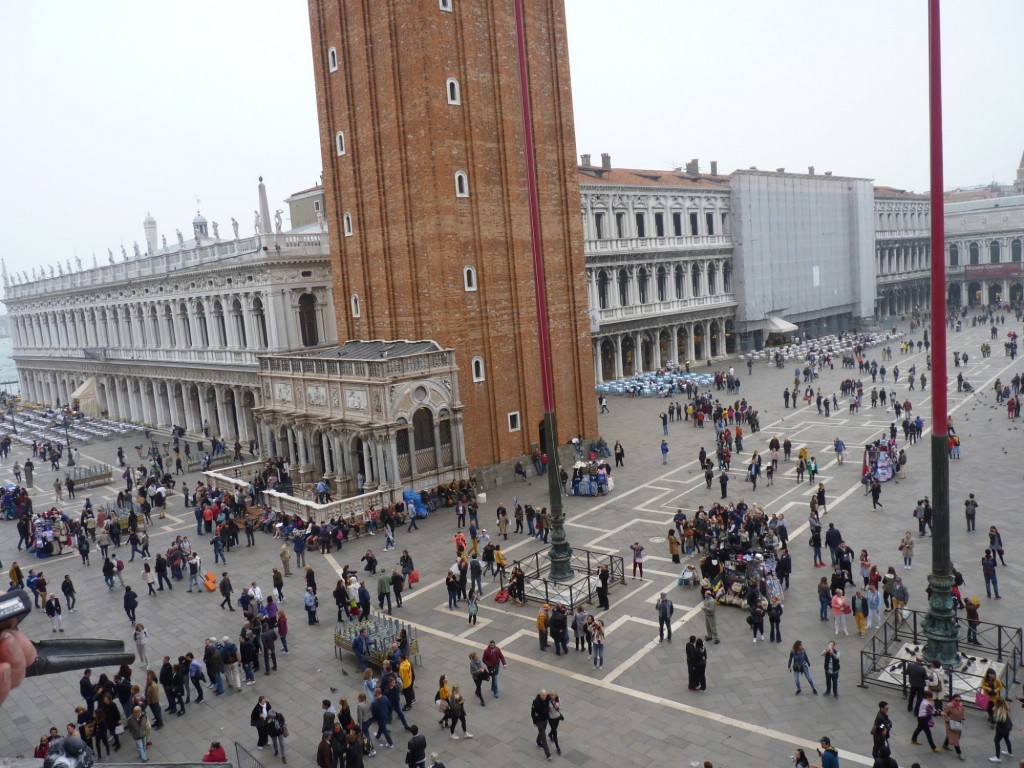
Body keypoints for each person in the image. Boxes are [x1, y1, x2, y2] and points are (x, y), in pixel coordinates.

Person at [941, 693, 965, 760]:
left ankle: (945, 744)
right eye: (956, 700)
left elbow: (962, 711)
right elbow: (944, 713)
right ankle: (959, 753)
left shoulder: (961, 705)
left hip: (958, 724)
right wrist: (947, 718)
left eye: (959, 700)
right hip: (951, 724)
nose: (958, 702)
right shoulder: (949, 706)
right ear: (953, 700)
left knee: (952, 736)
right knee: (955, 739)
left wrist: (962, 717)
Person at [531, 690, 553, 760]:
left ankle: (538, 741)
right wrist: (534, 721)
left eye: (545, 695)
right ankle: (548, 754)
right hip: (539, 721)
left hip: (545, 720)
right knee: (543, 737)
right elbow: (532, 712)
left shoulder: (547, 697)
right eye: (543, 695)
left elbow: (554, 696)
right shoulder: (535, 701)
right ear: (540, 695)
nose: (544, 697)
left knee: (541, 732)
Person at [991, 695, 1013, 762]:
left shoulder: (999, 710)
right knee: (1006, 738)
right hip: (1008, 727)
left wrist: (994, 724)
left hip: (1002, 729)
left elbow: (998, 720)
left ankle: (997, 757)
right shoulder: (1005, 707)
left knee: (996, 741)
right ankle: (1010, 752)